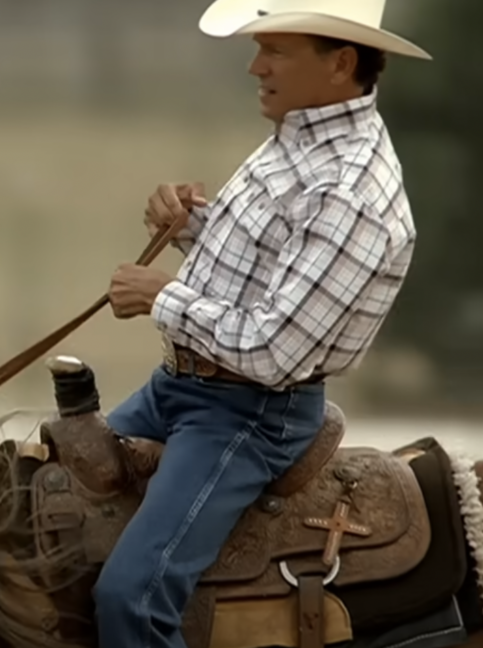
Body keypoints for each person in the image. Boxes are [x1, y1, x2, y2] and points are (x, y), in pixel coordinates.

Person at [92, 0, 431, 647]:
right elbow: (277, 263)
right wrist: (191, 223)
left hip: (247, 413)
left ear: (340, 64)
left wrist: (161, 297)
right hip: (185, 389)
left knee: (131, 596)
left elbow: (274, 350)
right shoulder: (304, 140)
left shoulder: (352, 192)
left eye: (276, 51)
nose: (255, 66)